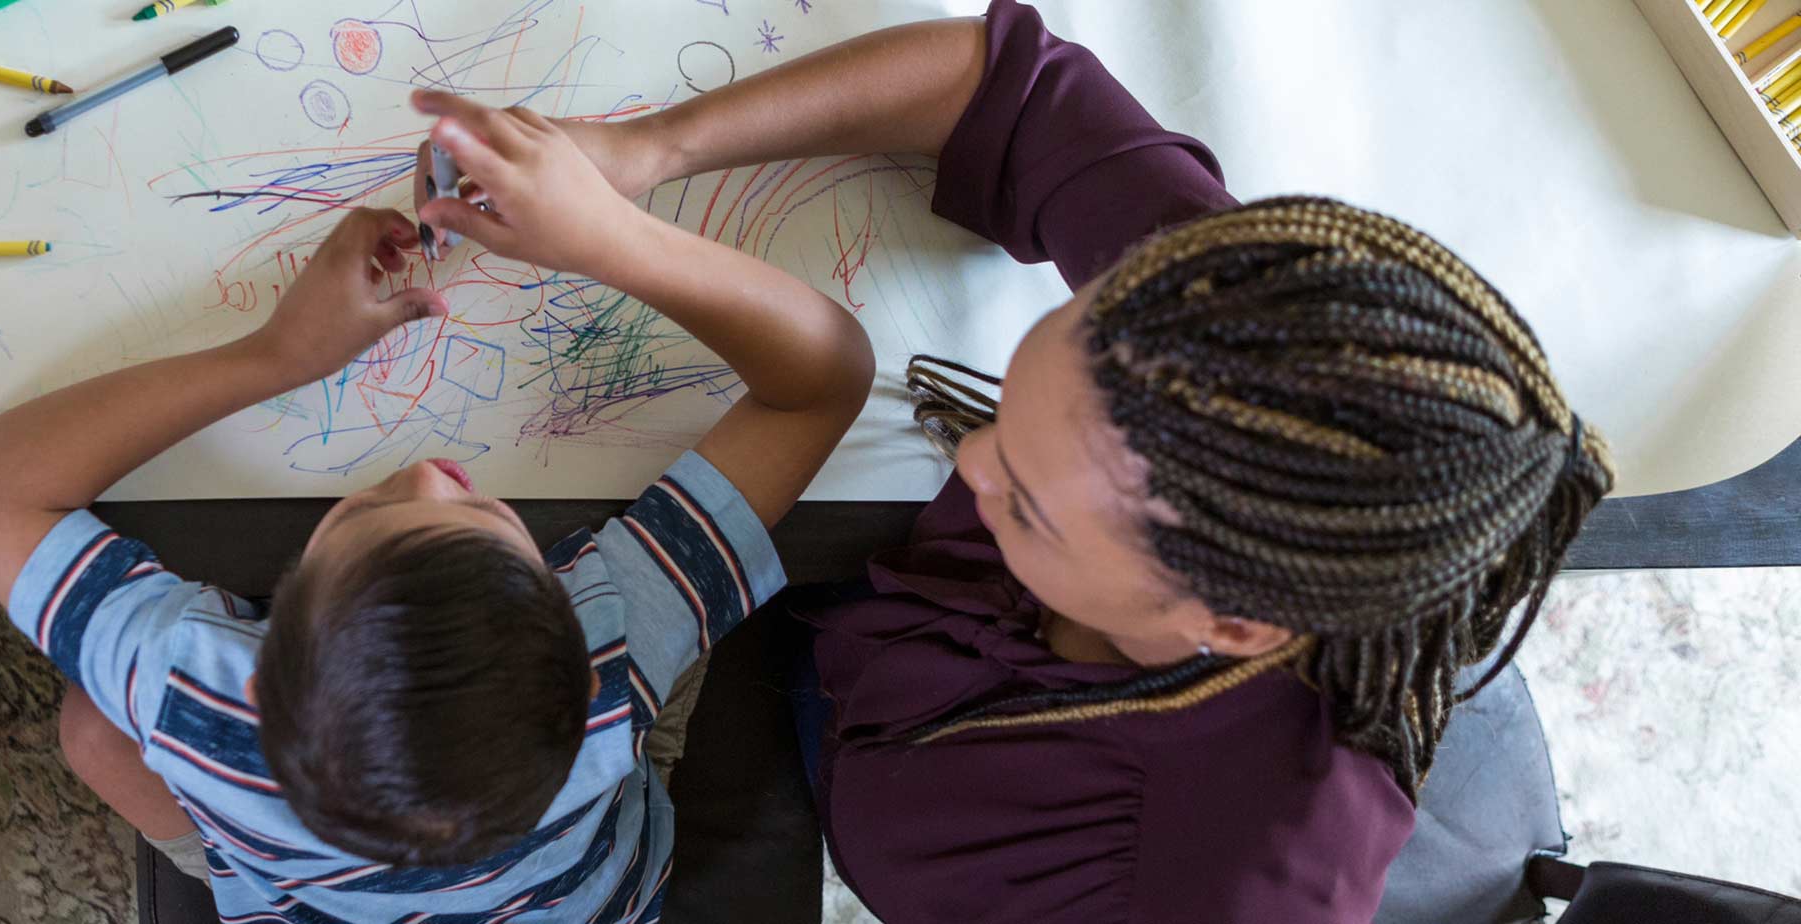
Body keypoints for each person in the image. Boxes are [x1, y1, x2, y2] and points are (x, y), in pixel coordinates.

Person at [543, 1, 1618, 920]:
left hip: (859, 735)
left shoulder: (1172, 877)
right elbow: (1006, 88)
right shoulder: (1207, 343)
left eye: (1031, 502)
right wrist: (653, 151)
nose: (973, 459)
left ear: (1233, 627)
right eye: (1011, 404)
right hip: (880, 652)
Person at [0, 91, 872, 922]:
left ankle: (246, 875)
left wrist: (274, 357)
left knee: (94, 730)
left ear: (255, 662)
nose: (429, 471)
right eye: (482, 519)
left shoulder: (196, 697)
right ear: (586, 662)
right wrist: (607, 237)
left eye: (374, 516)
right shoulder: (614, 652)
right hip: (589, 892)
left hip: (296, 886)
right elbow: (822, 379)